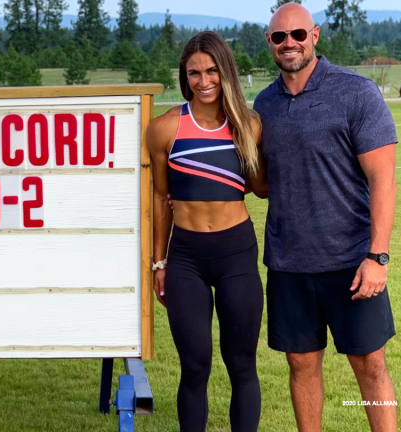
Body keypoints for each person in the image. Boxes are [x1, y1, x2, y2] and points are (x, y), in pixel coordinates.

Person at [254, 4, 398, 432]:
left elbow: (383, 180)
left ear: (315, 35)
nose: (289, 43)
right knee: (301, 364)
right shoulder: (264, 104)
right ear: (269, 42)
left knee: (370, 363)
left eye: (297, 34)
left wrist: (378, 256)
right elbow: (262, 183)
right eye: (280, 37)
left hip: (352, 261)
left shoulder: (355, 92)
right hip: (289, 263)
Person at [147, 31, 267, 432]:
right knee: (195, 364)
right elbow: (160, 198)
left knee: (241, 364)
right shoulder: (165, 129)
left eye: (212, 71)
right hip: (186, 259)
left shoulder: (248, 126)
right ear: (185, 76)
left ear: (226, 72)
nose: (204, 81)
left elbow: (261, 187)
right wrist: (158, 261)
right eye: (194, 73)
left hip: (236, 253)